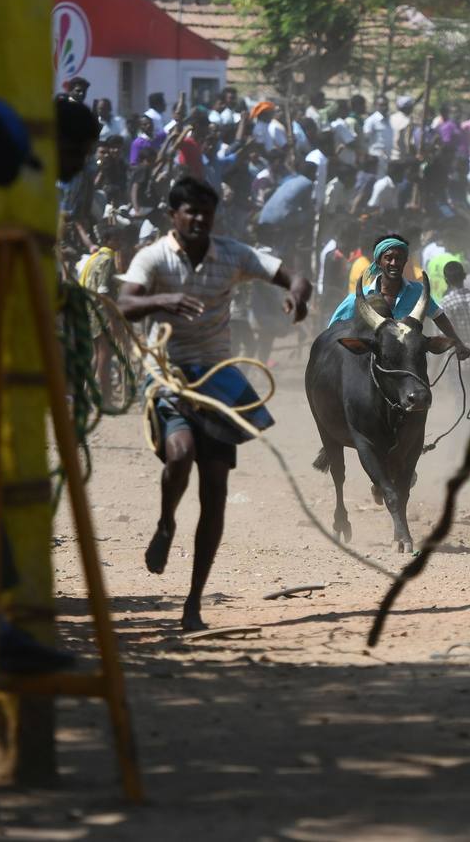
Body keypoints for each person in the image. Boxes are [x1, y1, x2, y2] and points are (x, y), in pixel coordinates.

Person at [116, 177, 312, 629]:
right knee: (180, 454)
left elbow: (293, 276)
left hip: (218, 375)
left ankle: (193, 603)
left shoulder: (232, 253)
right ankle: (166, 523)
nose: (200, 219)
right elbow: (123, 304)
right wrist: (163, 299)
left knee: (216, 490)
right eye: (191, 211)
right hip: (169, 372)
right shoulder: (153, 257)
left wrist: (297, 297)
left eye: (207, 212)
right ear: (173, 215)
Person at [327, 235, 470, 354]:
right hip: (371, 367)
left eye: (399, 258)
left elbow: (438, 316)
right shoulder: (360, 297)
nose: (394, 263)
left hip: (408, 365)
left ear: (405, 262)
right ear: (378, 262)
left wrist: (459, 344)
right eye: (388, 258)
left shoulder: (417, 292)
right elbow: (334, 329)